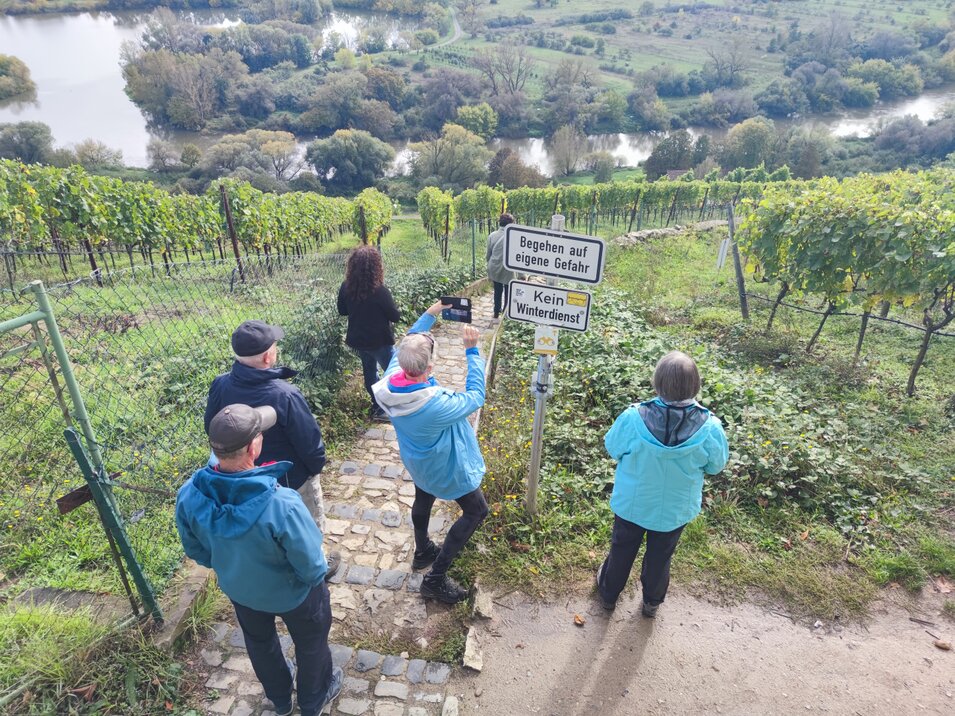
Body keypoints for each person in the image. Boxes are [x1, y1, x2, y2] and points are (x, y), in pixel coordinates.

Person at [176, 404, 343, 716]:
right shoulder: (283, 504)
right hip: (295, 595)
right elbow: (312, 567)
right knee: (311, 643)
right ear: (254, 448)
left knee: (259, 642)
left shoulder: (188, 494)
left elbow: (196, 550)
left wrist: (229, 566)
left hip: (241, 591)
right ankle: (313, 701)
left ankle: (280, 700)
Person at [595, 351, 729, 617]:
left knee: (621, 548)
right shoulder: (711, 427)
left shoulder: (633, 417)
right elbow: (716, 466)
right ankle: (652, 603)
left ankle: (608, 595)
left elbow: (613, 447)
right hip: (674, 511)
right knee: (661, 555)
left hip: (632, 505)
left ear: (657, 381)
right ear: (696, 384)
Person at [372, 302, 488, 604]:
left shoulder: (391, 380)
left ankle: (422, 549)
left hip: (418, 462)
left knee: (423, 497)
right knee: (477, 511)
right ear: (430, 368)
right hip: (445, 466)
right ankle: (435, 579)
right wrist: (472, 351)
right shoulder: (435, 405)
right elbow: (476, 396)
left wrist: (432, 312)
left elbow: (409, 339)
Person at [204, 320, 340, 575]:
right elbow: (309, 441)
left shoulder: (220, 384)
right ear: (268, 357)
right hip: (290, 479)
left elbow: (212, 426)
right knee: (306, 523)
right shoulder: (285, 394)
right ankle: (316, 564)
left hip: (246, 477)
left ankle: (274, 562)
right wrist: (314, 470)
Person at [337, 245, 402, 422]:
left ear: (352, 266)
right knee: (395, 372)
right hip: (380, 341)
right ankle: (400, 405)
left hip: (359, 340)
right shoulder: (380, 291)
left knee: (370, 373)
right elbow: (395, 316)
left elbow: (342, 311)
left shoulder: (346, 287)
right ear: (376, 267)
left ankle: (378, 407)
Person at [486, 213, 516, 319]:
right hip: (509, 269)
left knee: (497, 291)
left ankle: (496, 312)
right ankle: (505, 313)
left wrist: (489, 265)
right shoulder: (514, 236)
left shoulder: (492, 235)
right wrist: (522, 275)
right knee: (508, 291)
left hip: (495, 266)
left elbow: (488, 254)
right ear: (511, 224)